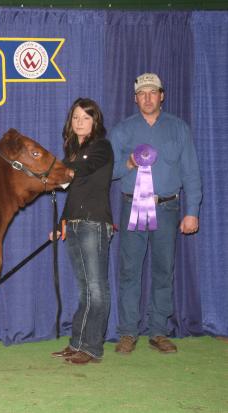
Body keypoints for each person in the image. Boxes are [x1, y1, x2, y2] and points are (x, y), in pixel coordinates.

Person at [110, 73, 202, 354]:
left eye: (153, 92)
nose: (148, 97)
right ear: (135, 98)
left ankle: (159, 331)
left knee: (164, 270)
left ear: (162, 95)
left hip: (168, 207)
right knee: (129, 271)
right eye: (142, 93)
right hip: (132, 206)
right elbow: (108, 172)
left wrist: (192, 211)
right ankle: (128, 332)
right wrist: (127, 162)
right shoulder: (122, 131)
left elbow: (191, 172)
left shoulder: (179, 129)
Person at [50, 98, 114, 365]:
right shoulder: (72, 152)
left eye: (85, 118)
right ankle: (77, 343)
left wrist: (52, 172)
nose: (79, 122)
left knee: (96, 289)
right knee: (84, 289)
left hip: (93, 222)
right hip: (76, 223)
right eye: (75, 117)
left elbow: (80, 171)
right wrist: (60, 224)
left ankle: (92, 348)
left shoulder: (101, 147)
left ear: (95, 121)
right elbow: (72, 192)